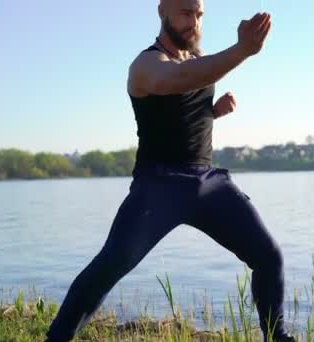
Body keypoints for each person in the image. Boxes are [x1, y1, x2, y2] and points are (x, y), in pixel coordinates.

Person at [46, 1, 295, 340]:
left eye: (200, 14)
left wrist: (213, 112)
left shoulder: (196, 59)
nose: (194, 21)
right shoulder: (147, 64)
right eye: (186, 12)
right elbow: (176, 81)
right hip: (158, 185)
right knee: (109, 267)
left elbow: (181, 107)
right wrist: (241, 50)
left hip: (207, 183)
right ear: (162, 10)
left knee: (269, 256)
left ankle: (277, 337)